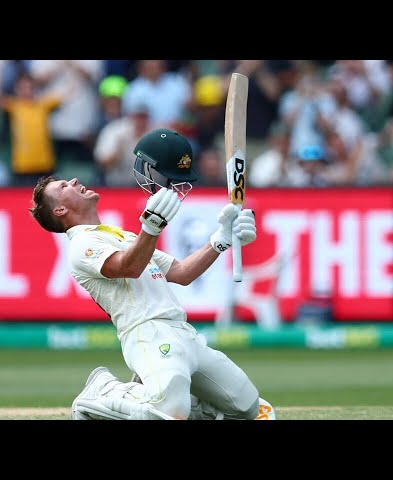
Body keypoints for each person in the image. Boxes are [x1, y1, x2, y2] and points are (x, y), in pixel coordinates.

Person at [28, 128, 275, 420]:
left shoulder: (123, 235)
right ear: (59, 210)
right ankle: (103, 390)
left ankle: (194, 406)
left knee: (253, 410)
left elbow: (182, 273)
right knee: (168, 412)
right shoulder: (81, 244)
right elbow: (128, 268)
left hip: (183, 332)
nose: (73, 181)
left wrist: (221, 239)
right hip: (147, 333)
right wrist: (152, 227)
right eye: (62, 187)